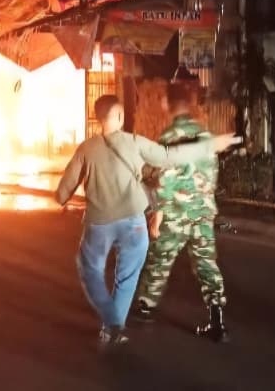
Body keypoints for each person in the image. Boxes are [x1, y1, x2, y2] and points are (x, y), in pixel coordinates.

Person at [55, 94, 241, 348]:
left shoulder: (89, 149)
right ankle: (117, 327)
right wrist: (210, 147)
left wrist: (158, 211)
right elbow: (185, 163)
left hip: (132, 219)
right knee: (144, 274)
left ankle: (127, 316)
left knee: (118, 267)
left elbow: (63, 192)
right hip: (168, 218)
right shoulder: (148, 141)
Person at [133, 82, 235, 341]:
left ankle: (146, 306)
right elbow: (211, 177)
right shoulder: (206, 137)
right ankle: (217, 321)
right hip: (202, 212)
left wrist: (158, 213)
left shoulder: (168, 138)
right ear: (191, 106)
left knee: (160, 258)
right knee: (206, 264)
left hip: (176, 212)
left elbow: (165, 181)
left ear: (167, 105)